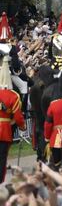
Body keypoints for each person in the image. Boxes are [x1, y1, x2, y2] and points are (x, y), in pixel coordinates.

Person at [0, 49, 25, 183]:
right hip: (4, 130)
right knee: (2, 159)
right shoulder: (13, 95)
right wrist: (21, 126)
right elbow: (18, 117)